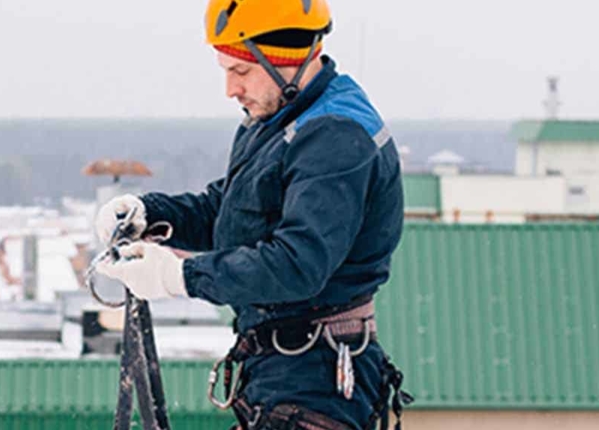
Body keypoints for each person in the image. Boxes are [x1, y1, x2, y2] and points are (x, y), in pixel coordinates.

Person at [93, 0, 408, 428]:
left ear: (286, 59)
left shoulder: (334, 135)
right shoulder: (280, 118)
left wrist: (179, 277)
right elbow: (234, 212)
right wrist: (151, 213)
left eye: (240, 71)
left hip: (315, 382)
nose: (230, 89)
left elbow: (298, 264)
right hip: (283, 371)